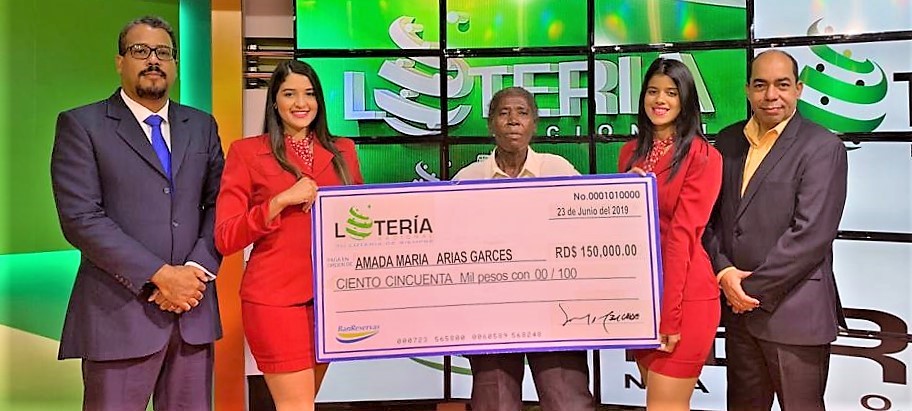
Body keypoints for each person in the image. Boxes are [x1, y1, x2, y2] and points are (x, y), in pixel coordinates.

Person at [50, 16, 224, 410]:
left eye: (163, 52)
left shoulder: (201, 126)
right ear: (120, 61)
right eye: (140, 51)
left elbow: (221, 203)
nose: (153, 60)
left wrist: (194, 272)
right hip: (118, 317)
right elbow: (81, 218)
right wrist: (161, 275)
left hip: (192, 313)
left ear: (175, 64)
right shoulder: (82, 125)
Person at [214, 60, 363, 411]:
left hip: (331, 300)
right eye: (289, 94)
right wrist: (280, 201)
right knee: (296, 405)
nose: (301, 103)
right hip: (275, 299)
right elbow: (226, 236)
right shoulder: (246, 152)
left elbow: (360, 217)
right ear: (274, 101)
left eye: (309, 94)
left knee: (303, 402)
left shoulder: (343, 150)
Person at [703, 49, 848, 410]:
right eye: (761, 85)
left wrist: (746, 292)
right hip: (739, 317)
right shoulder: (728, 141)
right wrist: (723, 272)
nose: (771, 95)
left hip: (793, 313)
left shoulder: (822, 146)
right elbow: (710, 219)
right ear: (747, 90)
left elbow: (810, 236)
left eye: (782, 85)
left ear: (798, 89)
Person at [453, 86, 595, 411]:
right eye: (504, 113)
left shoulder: (559, 171)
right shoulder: (468, 179)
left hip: (556, 313)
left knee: (567, 403)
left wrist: (629, 191)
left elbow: (589, 228)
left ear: (535, 123)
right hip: (490, 316)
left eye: (522, 112)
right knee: (495, 404)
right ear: (490, 123)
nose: (513, 120)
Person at [617, 58, 723, 410]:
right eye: (653, 91)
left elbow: (681, 238)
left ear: (686, 100)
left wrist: (669, 316)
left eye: (671, 93)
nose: (660, 100)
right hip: (642, 298)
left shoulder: (703, 156)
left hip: (685, 298)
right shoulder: (629, 153)